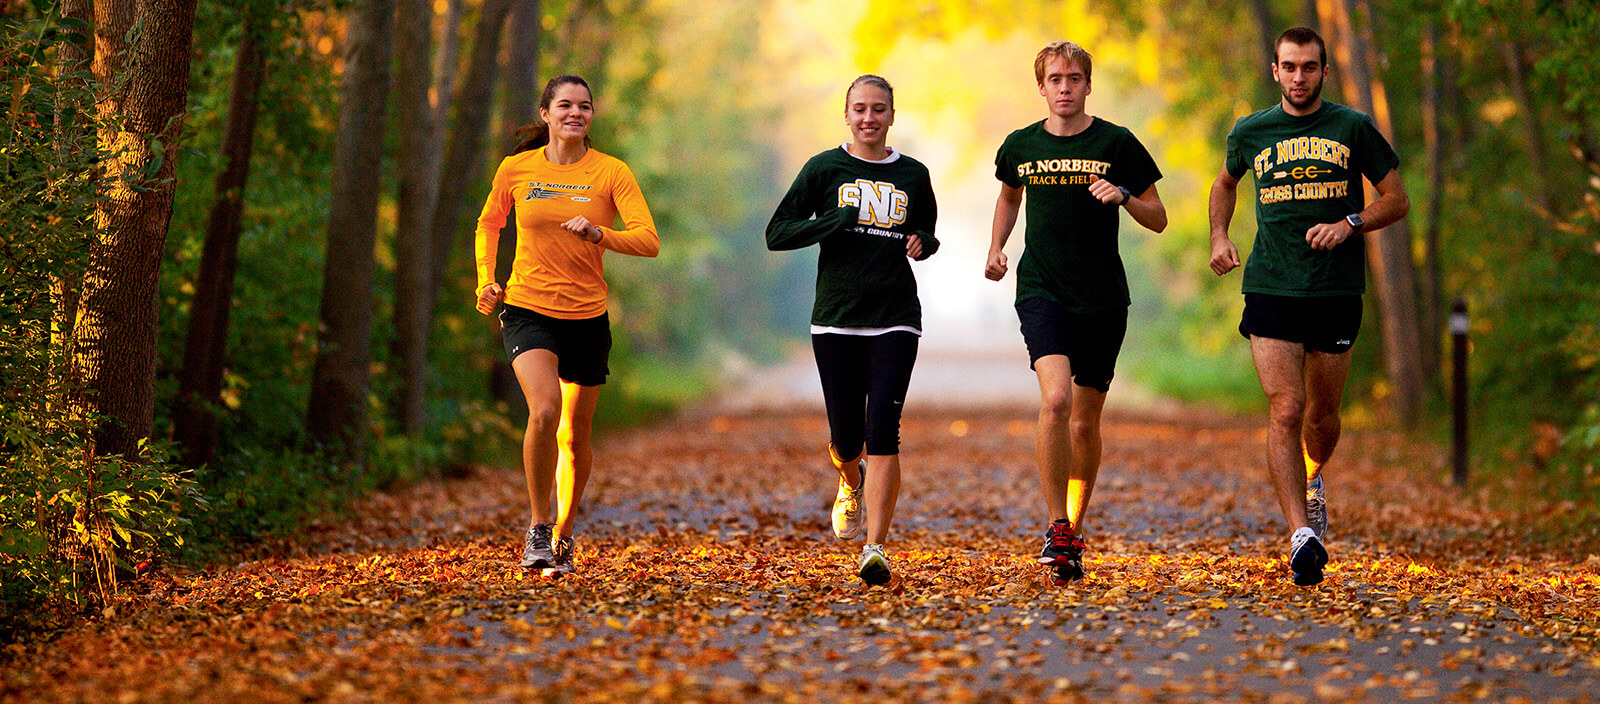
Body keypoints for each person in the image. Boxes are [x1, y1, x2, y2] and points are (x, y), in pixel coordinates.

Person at [1208, 27, 1409, 586]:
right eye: (1290, 67)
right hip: (1271, 285)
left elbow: (1397, 200)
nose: (1299, 77)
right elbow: (1223, 186)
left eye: (1310, 67)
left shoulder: (1352, 127)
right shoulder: (1251, 131)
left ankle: (1313, 478)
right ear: (1275, 71)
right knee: (1286, 408)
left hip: (1335, 291)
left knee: (1321, 418)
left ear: (1323, 71)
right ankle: (1300, 533)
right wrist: (1218, 237)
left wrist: (1350, 223)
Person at [985, 41, 1167, 585]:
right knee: (1056, 400)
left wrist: (1125, 198)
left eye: (1074, 78)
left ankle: (1073, 533)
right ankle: (1056, 525)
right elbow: (1009, 197)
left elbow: (1158, 218)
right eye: (1055, 79)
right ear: (1041, 87)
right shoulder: (1020, 144)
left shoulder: (1117, 143)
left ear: (1089, 85)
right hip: (1042, 289)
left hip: (1104, 298)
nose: (1065, 87)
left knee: (1086, 421)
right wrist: (996, 247)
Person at [474, 74, 660, 576]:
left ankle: (564, 532)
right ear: (546, 114)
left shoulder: (611, 172)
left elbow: (648, 239)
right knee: (544, 410)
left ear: (591, 116)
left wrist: (600, 234)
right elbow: (490, 223)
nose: (574, 113)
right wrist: (486, 279)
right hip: (528, 306)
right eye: (564, 105)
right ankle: (538, 528)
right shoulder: (516, 169)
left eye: (584, 106)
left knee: (575, 437)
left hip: (587, 315)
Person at [766, 75, 939, 586]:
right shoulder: (823, 169)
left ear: (892, 115)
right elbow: (778, 234)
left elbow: (928, 232)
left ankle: (876, 546)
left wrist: (921, 244)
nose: (869, 118)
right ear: (847, 115)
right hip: (836, 319)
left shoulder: (913, 173)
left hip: (896, 317)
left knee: (883, 431)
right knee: (846, 439)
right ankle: (849, 480)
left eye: (879, 109)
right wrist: (832, 222)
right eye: (860, 109)